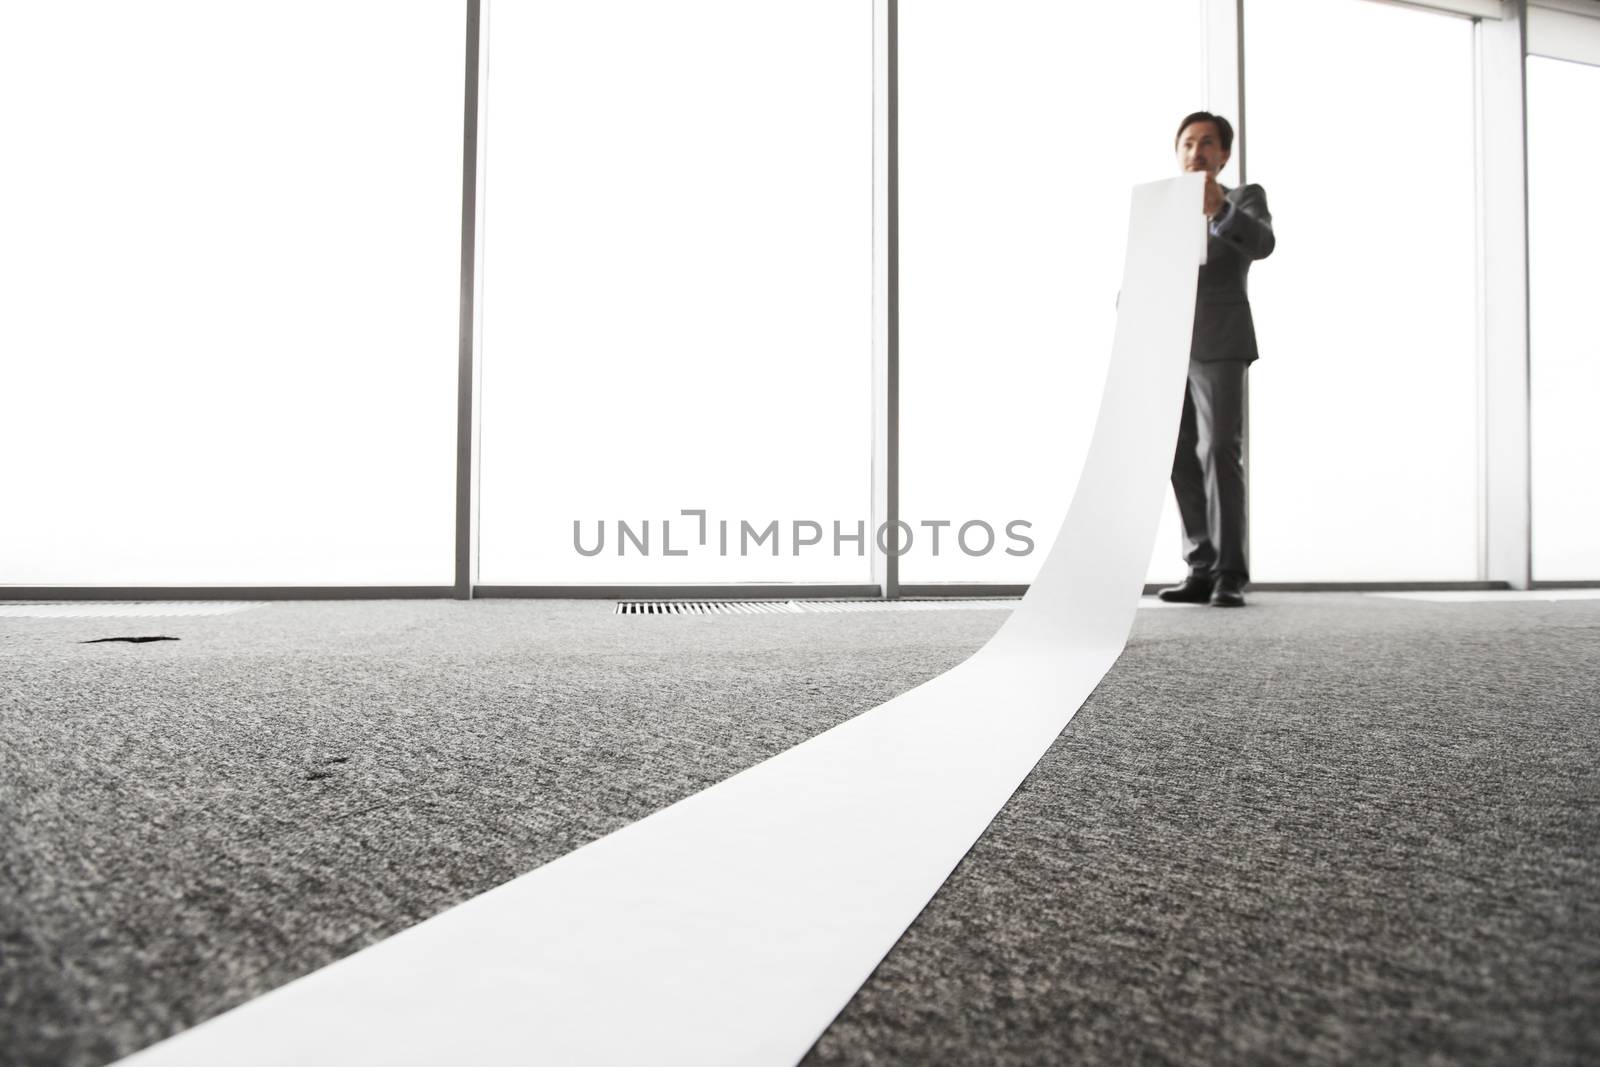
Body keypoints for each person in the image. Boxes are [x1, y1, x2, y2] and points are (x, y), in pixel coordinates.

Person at [1158, 111, 1275, 608]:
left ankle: (1231, 571)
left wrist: (1221, 210)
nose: (1196, 152)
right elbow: (1150, 267)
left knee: (1219, 450)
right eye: (1188, 143)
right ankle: (1201, 566)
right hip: (1165, 346)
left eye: (1207, 143)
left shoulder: (1244, 198)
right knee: (1179, 455)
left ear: (1223, 153)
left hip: (1220, 342)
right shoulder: (1164, 208)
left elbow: (1263, 244)